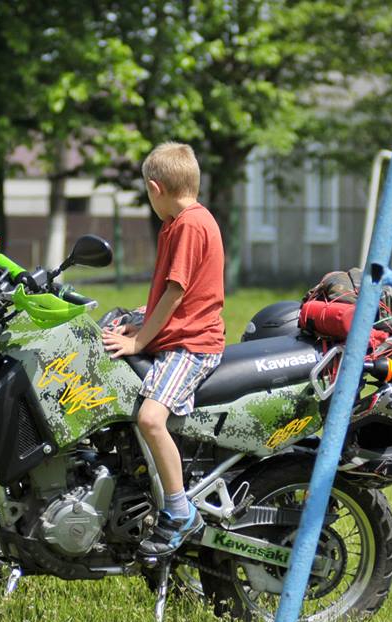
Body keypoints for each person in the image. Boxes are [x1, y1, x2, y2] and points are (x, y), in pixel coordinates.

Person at [102, 142, 225, 558]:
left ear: (155, 188)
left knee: (150, 418)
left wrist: (138, 341)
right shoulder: (178, 223)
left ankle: (179, 511)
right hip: (179, 336)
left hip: (193, 346)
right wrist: (139, 321)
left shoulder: (190, 225)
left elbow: (177, 292)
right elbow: (170, 297)